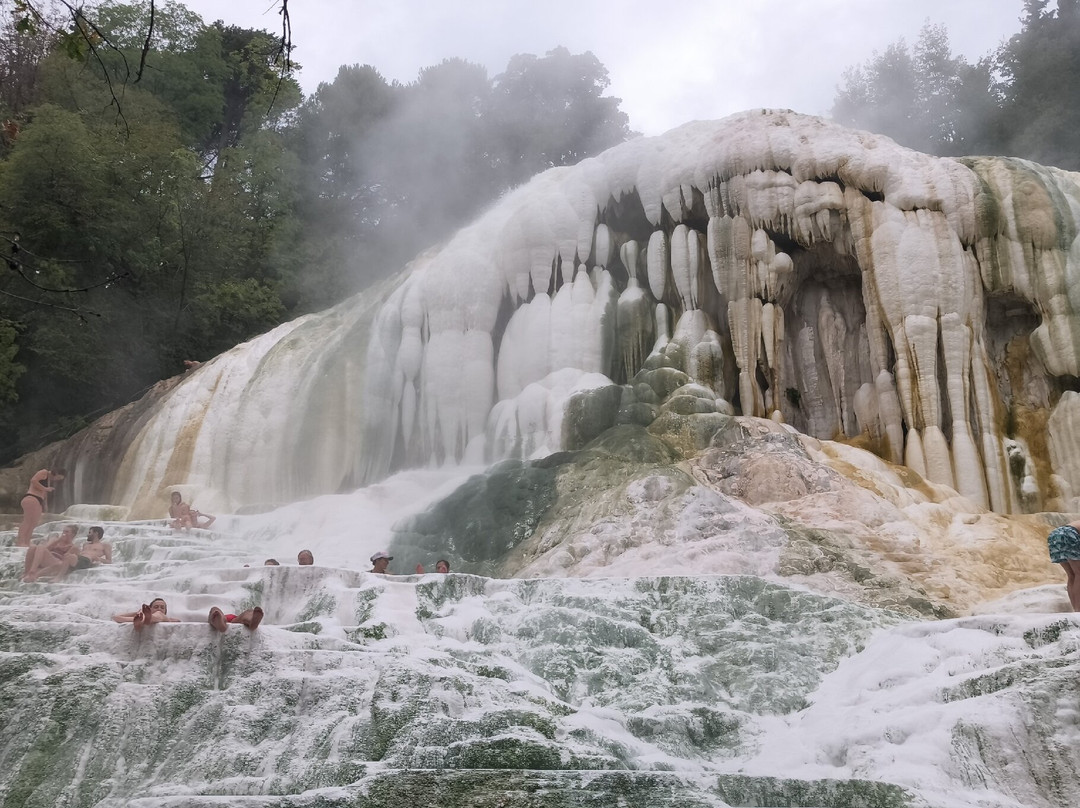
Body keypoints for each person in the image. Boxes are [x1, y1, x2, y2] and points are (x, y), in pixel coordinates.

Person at [16, 468, 66, 547]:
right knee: (27, 521)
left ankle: (27, 541)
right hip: (32, 497)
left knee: (34, 522)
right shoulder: (44, 472)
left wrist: (45, 505)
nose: (57, 480)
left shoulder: (48, 480)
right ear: (56, 473)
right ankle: (20, 541)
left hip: (39, 500)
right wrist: (45, 488)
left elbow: (44, 493)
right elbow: (33, 481)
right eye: (59, 477)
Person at [1048, 520, 1080, 611]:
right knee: (1079, 573)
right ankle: (1078, 609)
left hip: (1055, 535)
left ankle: (1076, 608)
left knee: (1072, 575)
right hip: (1069, 533)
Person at [113, 598, 180, 631]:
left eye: (162, 607)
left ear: (165, 611)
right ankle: (144, 620)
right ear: (150, 609)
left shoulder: (164, 616)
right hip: (145, 618)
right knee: (145, 618)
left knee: (158, 614)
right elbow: (116, 617)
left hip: (156, 618)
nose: (159, 609)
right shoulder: (139, 618)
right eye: (156, 607)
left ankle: (144, 621)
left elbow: (117, 618)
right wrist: (137, 613)